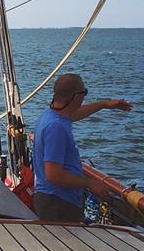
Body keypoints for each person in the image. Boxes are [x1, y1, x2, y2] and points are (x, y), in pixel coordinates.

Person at [31, 73, 132, 223]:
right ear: (76, 97)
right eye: (84, 92)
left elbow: (76, 113)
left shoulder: (50, 115)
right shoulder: (56, 128)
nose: (84, 96)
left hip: (53, 199)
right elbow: (53, 175)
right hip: (57, 203)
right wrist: (90, 183)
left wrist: (105, 104)